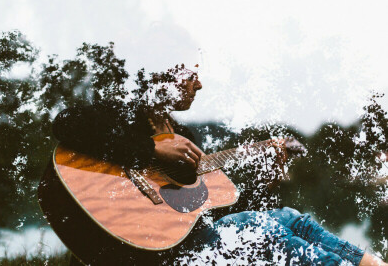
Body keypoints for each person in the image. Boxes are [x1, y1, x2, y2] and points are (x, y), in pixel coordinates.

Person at [50, 64, 386, 265]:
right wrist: (150, 150)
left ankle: (370, 263)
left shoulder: (184, 134)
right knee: (266, 232)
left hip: (187, 242)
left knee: (286, 218)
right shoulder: (125, 113)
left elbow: (208, 211)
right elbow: (67, 123)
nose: (199, 84)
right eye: (191, 75)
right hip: (157, 254)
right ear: (162, 73)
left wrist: (266, 183)